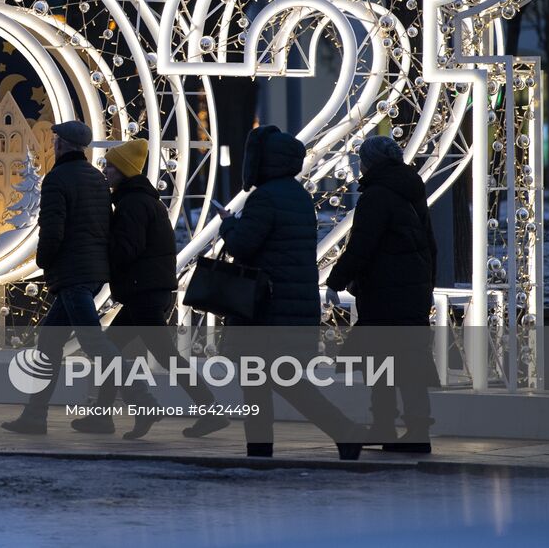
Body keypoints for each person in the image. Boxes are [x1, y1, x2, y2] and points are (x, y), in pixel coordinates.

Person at [0, 120, 156, 434]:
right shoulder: (97, 180)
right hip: (93, 271)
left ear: (62, 145)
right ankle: (34, 415)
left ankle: (143, 400)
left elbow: (52, 229)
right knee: (50, 339)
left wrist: (45, 261)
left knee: (94, 341)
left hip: (72, 272)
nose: (53, 143)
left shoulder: (57, 179)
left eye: (55, 139)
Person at [222, 124, 363, 460]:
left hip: (265, 308)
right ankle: (340, 433)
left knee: (262, 383)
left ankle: (266, 448)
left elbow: (243, 245)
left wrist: (228, 224)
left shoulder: (265, 197)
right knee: (279, 379)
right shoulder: (297, 195)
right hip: (289, 302)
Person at [72, 138, 225, 440]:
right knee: (112, 351)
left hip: (143, 294)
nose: (105, 172)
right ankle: (106, 416)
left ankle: (208, 411)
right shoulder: (143, 201)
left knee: (147, 355)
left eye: (110, 167)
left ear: (124, 171)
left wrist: (99, 248)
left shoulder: (132, 204)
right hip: (147, 293)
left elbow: (126, 249)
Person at [325, 135, 439, 453]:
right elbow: (430, 243)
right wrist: (426, 286)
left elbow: (361, 245)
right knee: (409, 363)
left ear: (370, 162)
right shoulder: (411, 190)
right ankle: (415, 429)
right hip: (411, 293)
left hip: (385, 293)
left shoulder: (376, 195)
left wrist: (335, 281)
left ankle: (387, 425)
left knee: (382, 363)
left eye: (361, 160)